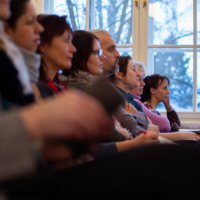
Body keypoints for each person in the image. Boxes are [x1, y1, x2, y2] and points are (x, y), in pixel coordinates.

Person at [0, 0, 112, 183]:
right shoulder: (34, 83)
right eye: (29, 22)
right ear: (7, 31)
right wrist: (33, 123)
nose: (39, 29)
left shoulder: (27, 79)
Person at [111, 56, 199, 141]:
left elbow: (154, 129)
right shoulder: (119, 101)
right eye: (133, 70)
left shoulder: (134, 103)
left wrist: (139, 119)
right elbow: (146, 131)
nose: (138, 75)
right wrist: (181, 135)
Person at [36, 14, 76, 98]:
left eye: (71, 42)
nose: (73, 49)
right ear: (42, 45)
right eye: (66, 41)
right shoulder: (36, 89)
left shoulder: (59, 86)